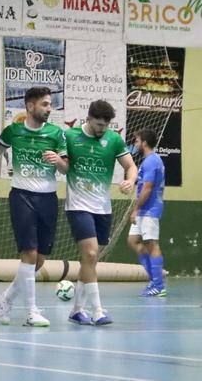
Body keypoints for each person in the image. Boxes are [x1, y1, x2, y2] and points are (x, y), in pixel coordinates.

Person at [0, 86, 68, 327]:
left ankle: (5, 298)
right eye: (45, 104)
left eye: (50, 104)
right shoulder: (13, 132)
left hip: (48, 199)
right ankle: (31, 312)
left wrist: (58, 160)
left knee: (39, 260)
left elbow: (66, 168)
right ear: (30, 106)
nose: (49, 109)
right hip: (22, 196)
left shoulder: (56, 134)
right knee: (28, 254)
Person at [65, 100, 137, 326]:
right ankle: (97, 310)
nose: (101, 129)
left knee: (91, 260)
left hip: (102, 208)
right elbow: (62, 163)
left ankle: (77, 310)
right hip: (78, 205)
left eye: (105, 126)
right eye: (98, 125)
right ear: (88, 118)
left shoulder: (113, 140)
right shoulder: (70, 137)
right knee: (91, 254)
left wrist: (130, 181)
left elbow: (131, 166)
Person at [126, 128, 167, 297]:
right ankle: (154, 278)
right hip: (144, 209)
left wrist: (135, 209)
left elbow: (148, 188)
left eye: (136, 141)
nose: (135, 145)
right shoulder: (148, 161)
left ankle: (158, 285)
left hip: (149, 209)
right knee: (132, 241)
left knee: (152, 244)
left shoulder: (152, 161)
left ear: (144, 142)